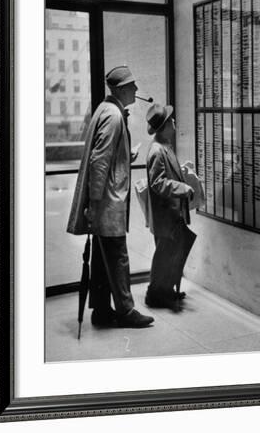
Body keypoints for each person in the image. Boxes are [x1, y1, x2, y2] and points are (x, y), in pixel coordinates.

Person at [67, 66, 154, 329]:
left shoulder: (105, 110)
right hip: (107, 202)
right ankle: (126, 311)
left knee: (103, 259)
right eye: (132, 86)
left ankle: (102, 309)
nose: (137, 90)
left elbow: (106, 156)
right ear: (121, 89)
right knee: (117, 257)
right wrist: (94, 206)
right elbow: (99, 161)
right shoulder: (114, 116)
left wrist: (128, 155)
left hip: (104, 201)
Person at [145, 103, 197, 310]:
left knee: (170, 253)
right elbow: (158, 183)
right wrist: (182, 187)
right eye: (171, 120)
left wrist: (181, 172)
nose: (174, 122)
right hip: (165, 214)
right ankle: (156, 294)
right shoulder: (158, 150)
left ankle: (165, 291)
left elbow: (166, 175)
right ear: (165, 126)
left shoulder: (164, 146)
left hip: (170, 213)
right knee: (164, 255)